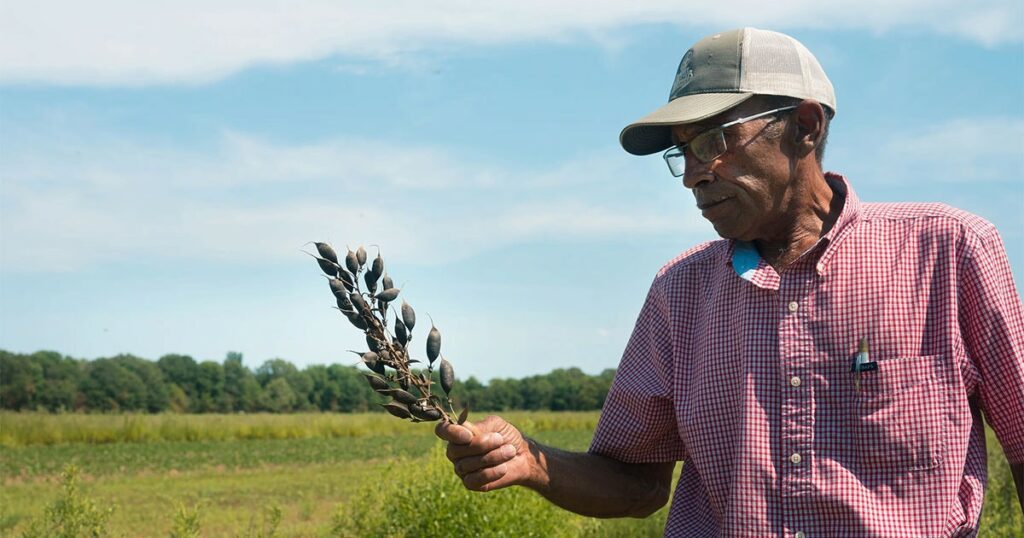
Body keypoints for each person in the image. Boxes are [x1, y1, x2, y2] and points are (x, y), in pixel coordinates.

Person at [435, 27, 1024, 536]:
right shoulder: (680, 293)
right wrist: (533, 462)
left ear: (805, 126)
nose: (692, 175)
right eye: (682, 152)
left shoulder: (947, 253)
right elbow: (636, 483)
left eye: (715, 140)